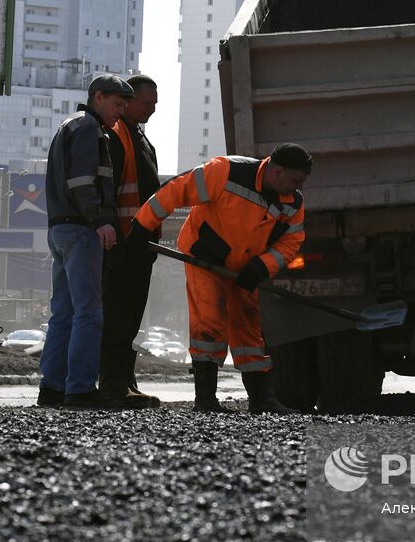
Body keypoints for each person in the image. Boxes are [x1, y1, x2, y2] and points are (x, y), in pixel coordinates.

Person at [123, 144, 313, 414]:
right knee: (209, 321)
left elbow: (290, 242)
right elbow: (176, 190)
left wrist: (261, 267)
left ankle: (262, 399)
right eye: (295, 180)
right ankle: (206, 400)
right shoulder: (226, 172)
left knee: (249, 327)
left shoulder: (293, 204)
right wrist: (143, 225)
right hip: (205, 258)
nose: (298, 188)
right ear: (277, 171)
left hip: (244, 269)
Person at [39, 73, 134, 410]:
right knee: (89, 313)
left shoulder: (72, 126)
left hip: (60, 230)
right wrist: (101, 222)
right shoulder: (88, 130)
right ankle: (79, 389)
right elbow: (82, 182)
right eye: (117, 103)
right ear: (97, 97)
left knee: (63, 313)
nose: (120, 111)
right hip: (80, 230)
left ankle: (51, 389)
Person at [100, 74, 163, 409]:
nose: (152, 111)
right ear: (129, 100)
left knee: (130, 316)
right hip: (123, 243)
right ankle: (112, 384)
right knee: (117, 315)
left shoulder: (139, 137)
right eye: (147, 104)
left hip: (140, 244)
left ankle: (125, 381)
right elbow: (109, 192)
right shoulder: (116, 135)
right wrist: (115, 240)